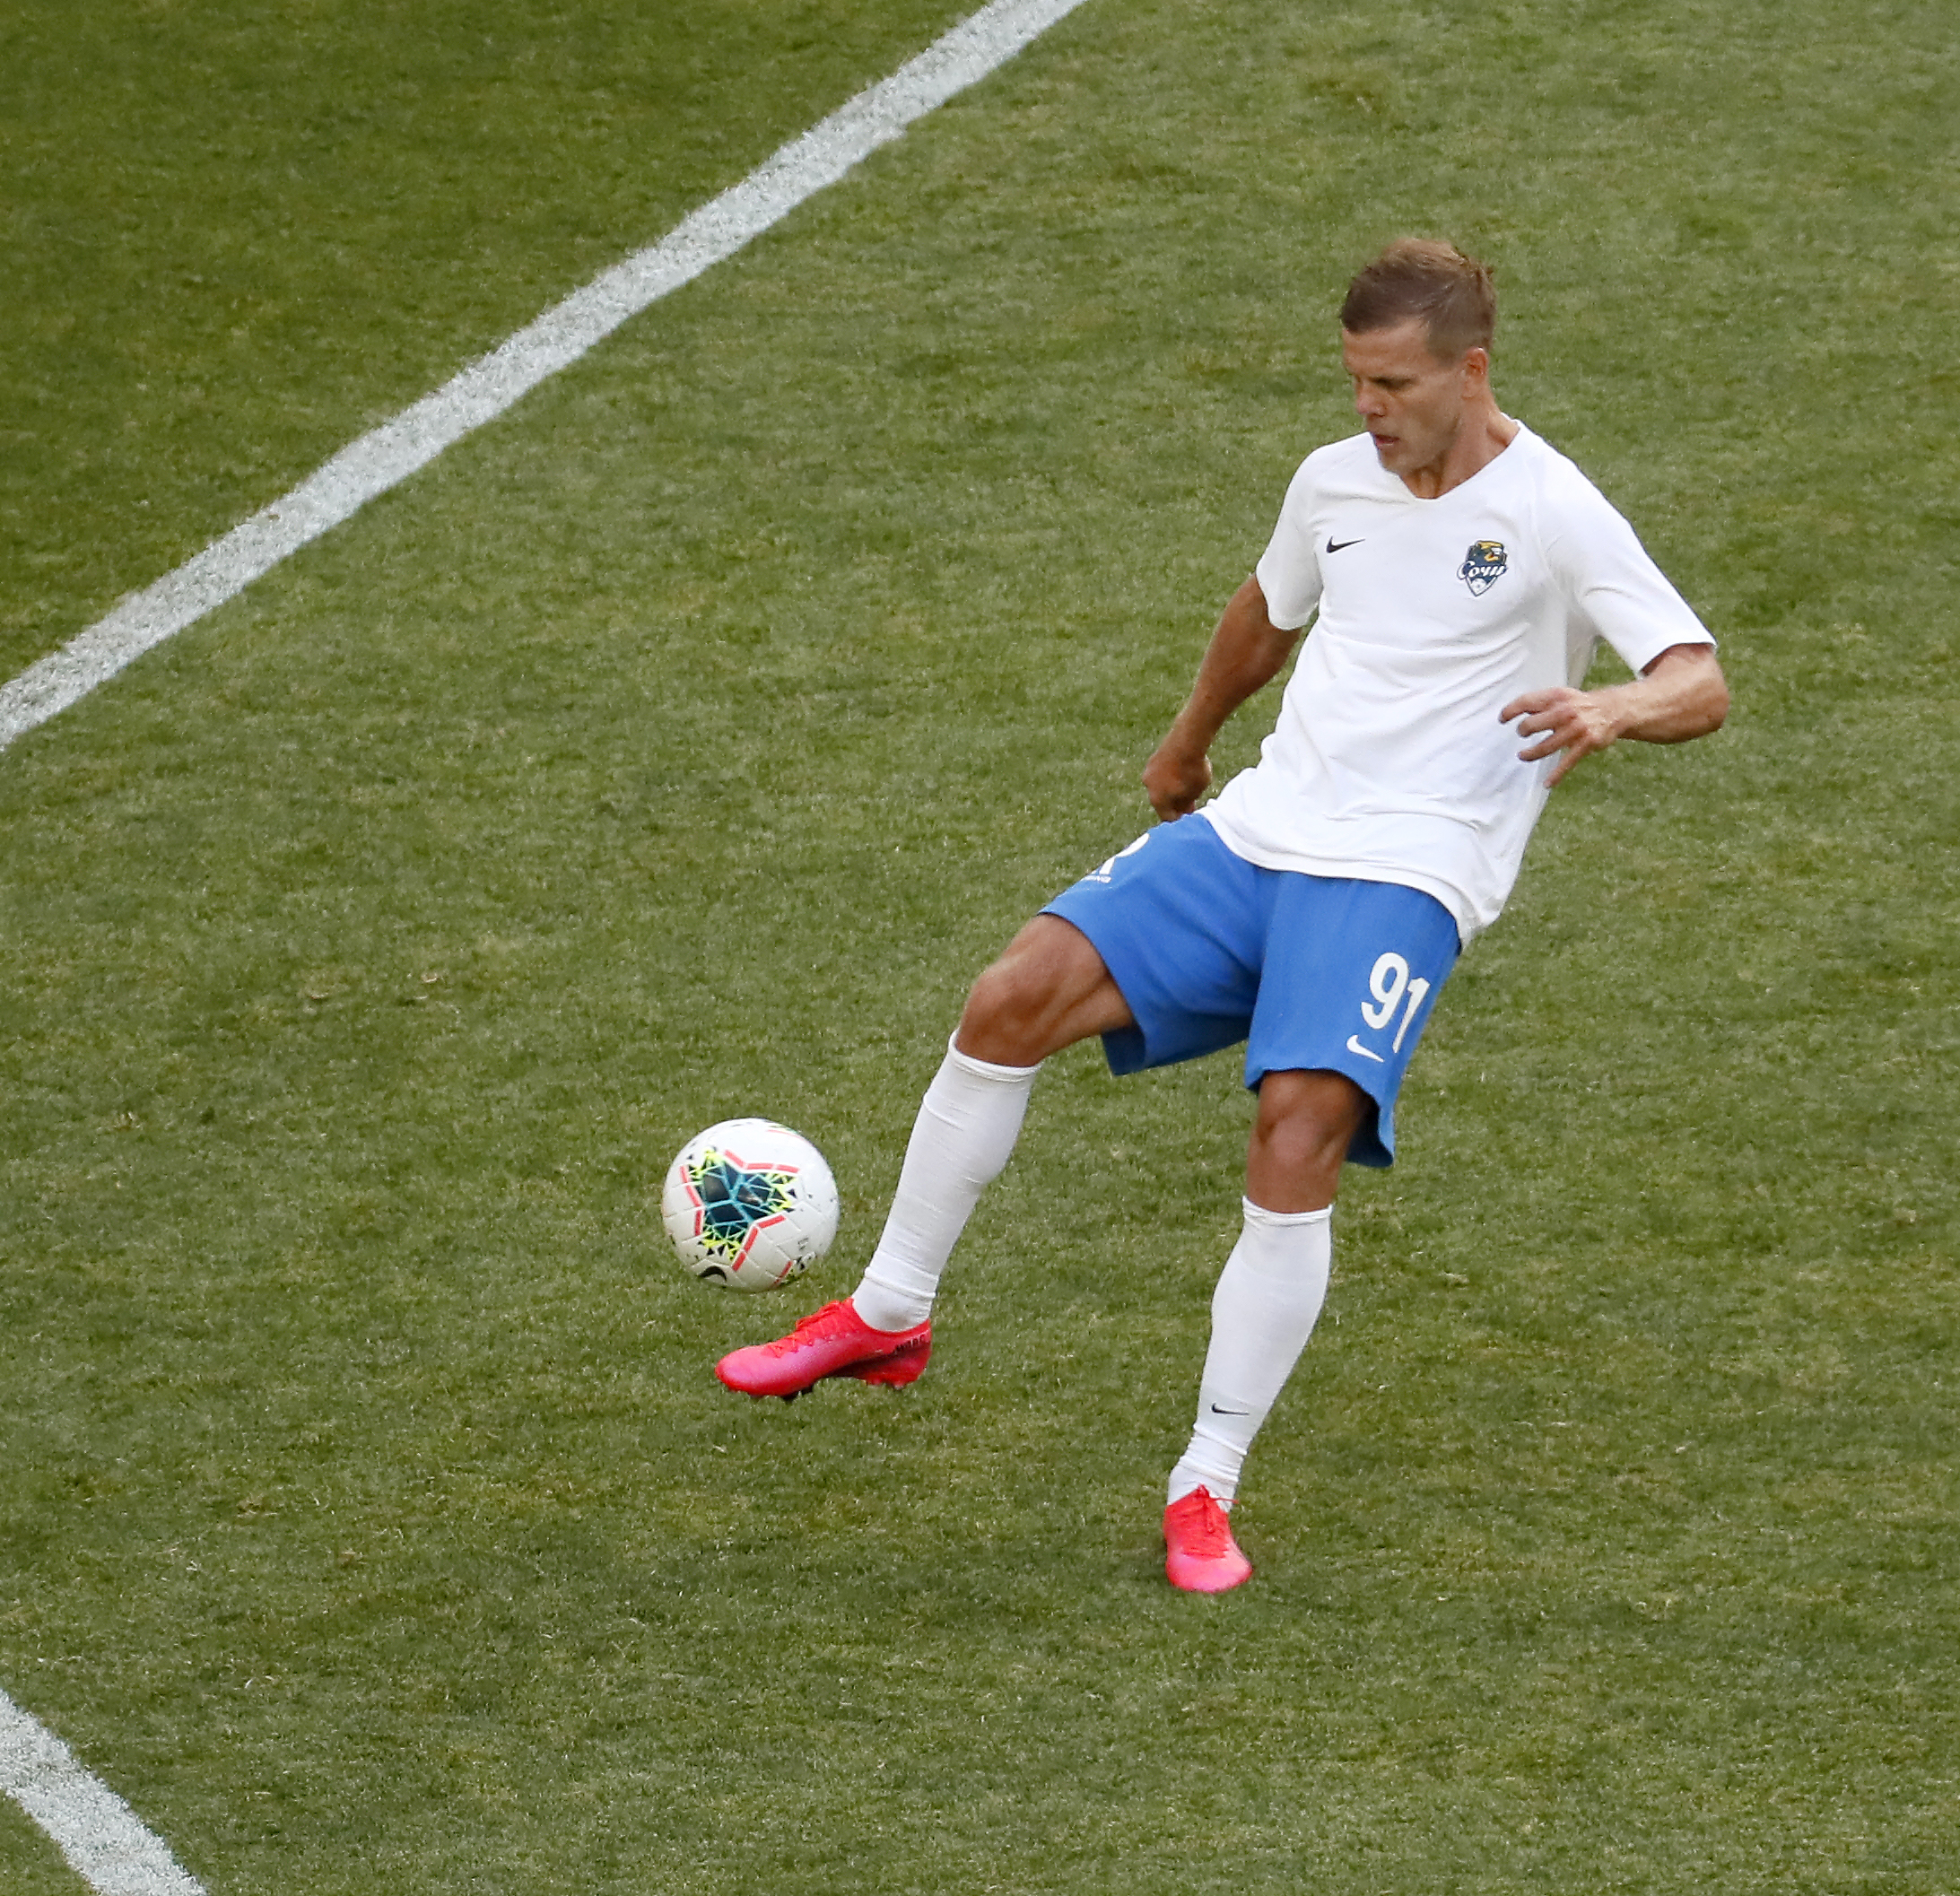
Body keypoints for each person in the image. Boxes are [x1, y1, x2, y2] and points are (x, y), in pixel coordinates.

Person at [715, 238, 1729, 1593]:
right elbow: (1268, 608)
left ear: (1471, 371)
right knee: (1012, 995)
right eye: (1356, 380)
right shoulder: (1333, 481)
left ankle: (1206, 1479)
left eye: (1393, 384)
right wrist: (1186, 744)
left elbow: (1698, 678)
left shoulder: (1551, 508)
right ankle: (890, 1311)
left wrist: (1610, 705)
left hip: (1408, 868)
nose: (1368, 406)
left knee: (1298, 1120)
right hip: (1261, 830)